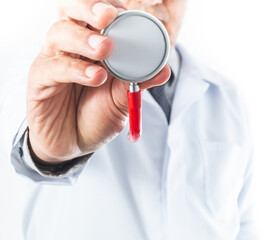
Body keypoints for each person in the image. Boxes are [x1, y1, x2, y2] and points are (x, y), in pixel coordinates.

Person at [8, 0, 254, 239]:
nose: (154, 0)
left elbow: (242, 224)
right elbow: (21, 141)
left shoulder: (226, 99)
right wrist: (49, 156)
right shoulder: (39, 74)